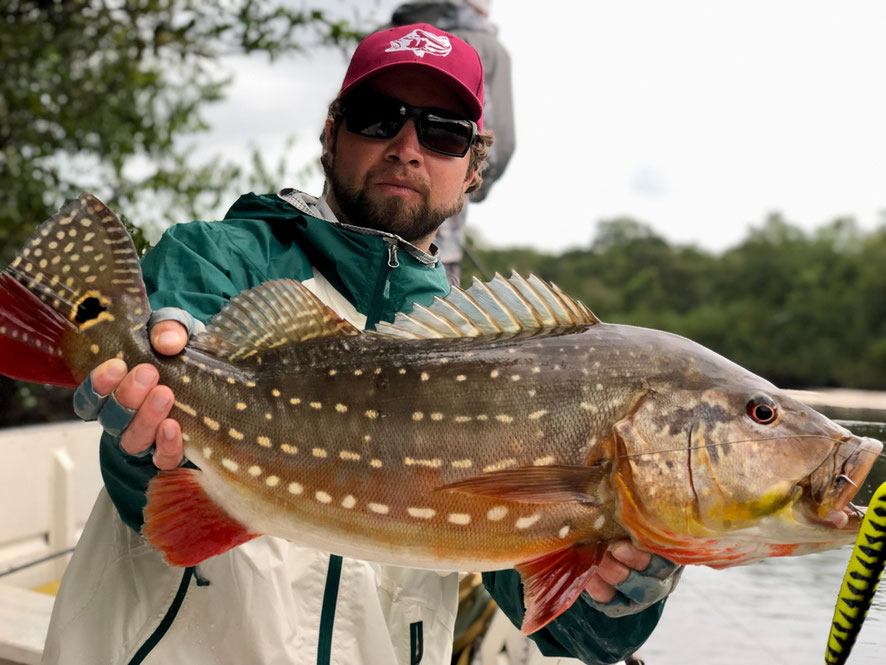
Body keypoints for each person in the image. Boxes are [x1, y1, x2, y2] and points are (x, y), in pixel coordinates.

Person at [43, 23, 680, 665]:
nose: (406, 147)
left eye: (443, 132)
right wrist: (147, 412)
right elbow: (152, 481)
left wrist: (620, 593)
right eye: (379, 119)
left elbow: (567, 630)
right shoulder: (216, 258)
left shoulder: (495, 354)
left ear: (473, 170)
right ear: (330, 134)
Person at [385, 0, 515, 286]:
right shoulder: (489, 48)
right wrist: (473, 186)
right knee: (432, 303)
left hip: (352, 218)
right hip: (439, 222)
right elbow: (500, 142)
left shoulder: (388, 36)